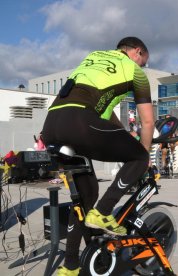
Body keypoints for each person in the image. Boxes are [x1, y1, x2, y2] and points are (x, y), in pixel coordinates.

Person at [41, 36, 154, 276]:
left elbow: (102, 113)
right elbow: (147, 121)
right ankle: (104, 213)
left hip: (51, 126)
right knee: (140, 157)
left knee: (85, 195)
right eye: (144, 61)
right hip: (80, 122)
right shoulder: (135, 72)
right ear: (137, 52)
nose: (143, 66)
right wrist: (142, 155)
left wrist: (123, 138)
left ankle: (70, 266)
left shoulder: (91, 57)